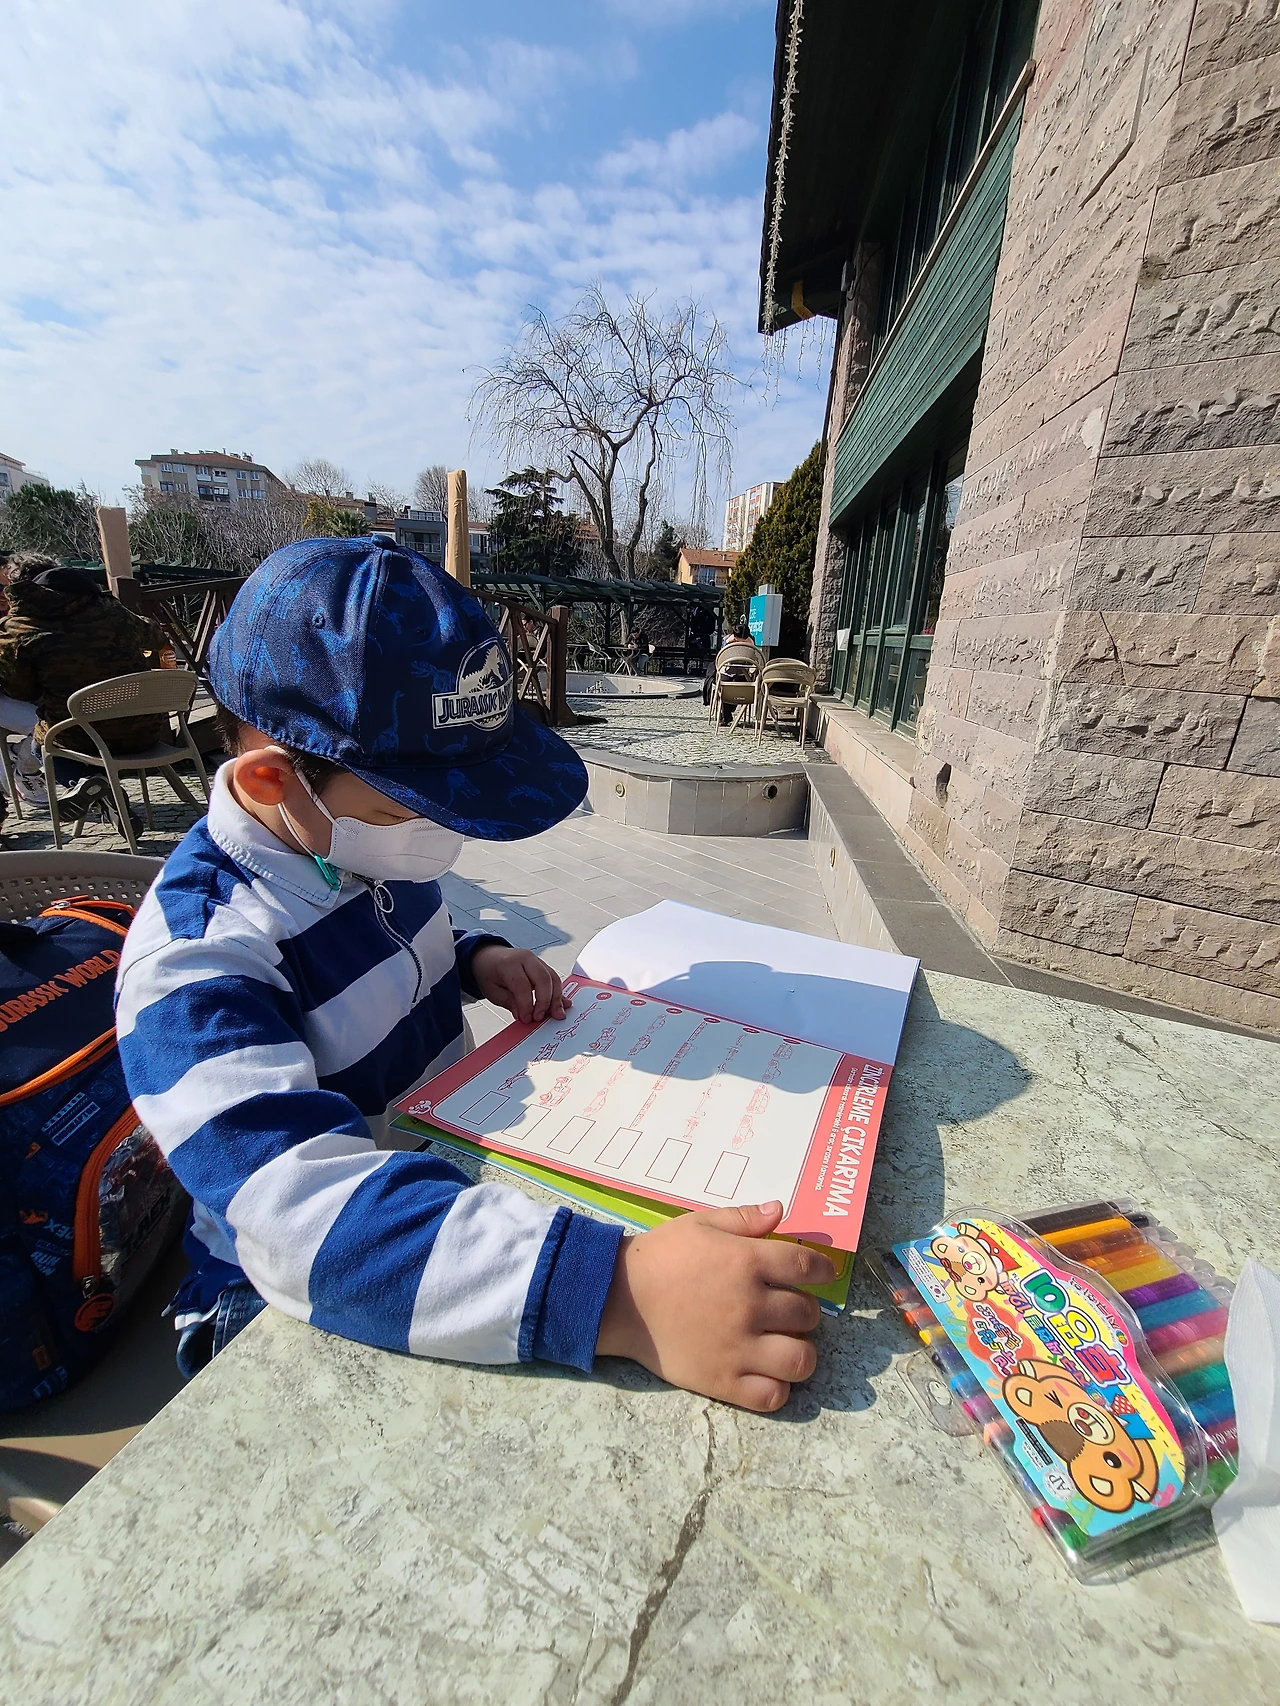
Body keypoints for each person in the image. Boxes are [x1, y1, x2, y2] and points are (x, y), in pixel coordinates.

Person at [116, 538, 831, 1409]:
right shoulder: (195, 968)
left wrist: (471, 957)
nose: (438, 842)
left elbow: (388, 933)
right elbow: (298, 1220)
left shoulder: (348, 844)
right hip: (284, 1288)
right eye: (405, 815)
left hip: (440, 1164)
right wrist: (621, 1294)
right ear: (272, 781)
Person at [0, 553, 167, 827]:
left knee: (45, 742)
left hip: (80, 736)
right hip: (144, 731)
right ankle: (104, 798)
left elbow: (21, 692)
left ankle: (86, 782)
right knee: (62, 731)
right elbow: (157, 638)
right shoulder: (109, 609)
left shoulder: (20, 626)